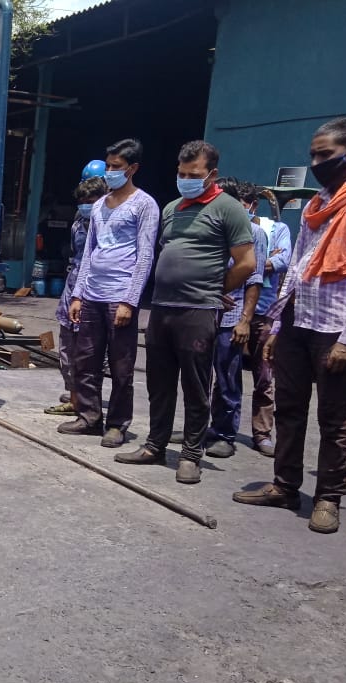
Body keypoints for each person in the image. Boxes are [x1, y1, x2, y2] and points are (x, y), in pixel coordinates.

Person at [233, 118, 346, 534]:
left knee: (334, 417)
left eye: (323, 155)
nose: (315, 162)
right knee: (289, 407)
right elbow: (297, 266)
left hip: (337, 326)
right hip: (298, 319)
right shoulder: (318, 204)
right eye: (312, 154)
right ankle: (285, 485)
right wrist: (278, 325)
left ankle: (328, 497)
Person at [115, 140, 256, 484]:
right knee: (159, 383)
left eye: (194, 175)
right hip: (162, 308)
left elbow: (246, 263)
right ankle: (155, 445)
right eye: (181, 173)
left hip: (198, 311)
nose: (186, 180)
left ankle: (191, 455)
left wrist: (214, 290)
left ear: (212, 174)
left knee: (195, 385)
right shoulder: (172, 208)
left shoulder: (228, 209)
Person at [61, 139, 160, 447]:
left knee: (121, 365)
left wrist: (130, 300)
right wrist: (78, 295)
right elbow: (89, 252)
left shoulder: (144, 205)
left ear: (133, 169)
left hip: (120, 296)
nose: (110, 172)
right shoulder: (99, 205)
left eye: (117, 167)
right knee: (85, 360)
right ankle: (89, 417)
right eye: (108, 166)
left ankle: (117, 424)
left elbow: (145, 255)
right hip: (92, 294)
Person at [204, 178, 266, 458]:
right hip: (205, 312)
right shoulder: (213, 229)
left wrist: (245, 320)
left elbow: (255, 279)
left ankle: (224, 434)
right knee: (200, 377)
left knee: (227, 379)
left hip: (232, 318)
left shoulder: (254, 233)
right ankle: (199, 427)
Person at [47, 174, 107, 416]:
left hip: (94, 293)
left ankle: (88, 402)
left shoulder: (107, 226)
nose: (85, 206)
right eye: (82, 201)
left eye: (91, 201)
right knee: (67, 349)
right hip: (72, 289)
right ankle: (74, 398)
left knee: (90, 352)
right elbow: (74, 257)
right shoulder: (78, 223)